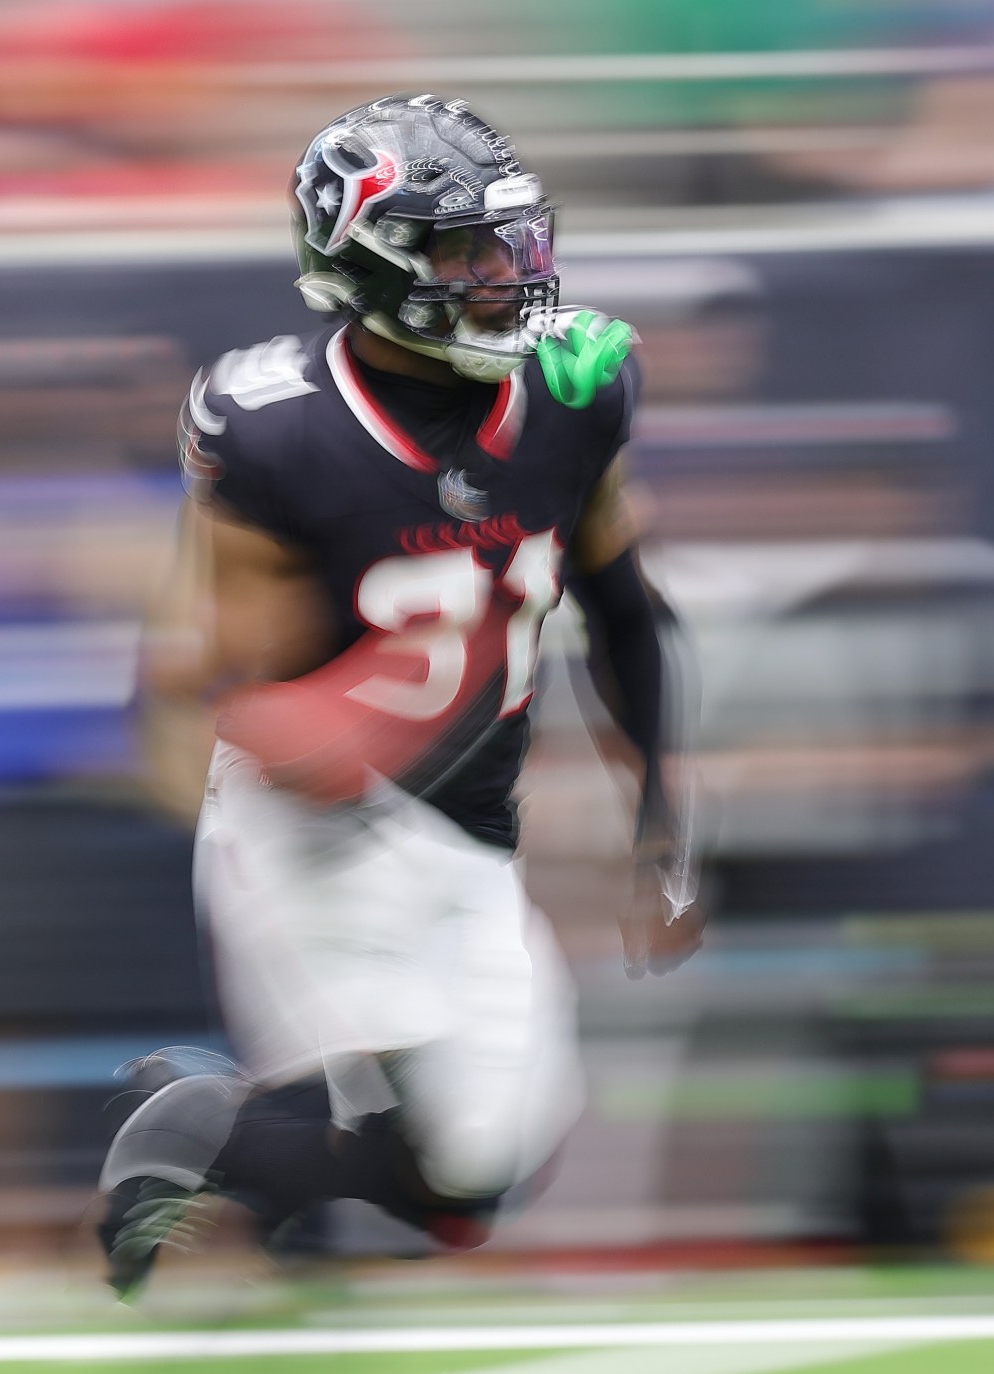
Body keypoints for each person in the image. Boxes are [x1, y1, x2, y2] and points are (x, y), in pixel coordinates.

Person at [98, 94, 702, 1300]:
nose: (502, 274)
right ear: (366, 255)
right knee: (369, 1089)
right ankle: (232, 1315)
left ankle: (197, 1118)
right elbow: (218, 669)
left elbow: (624, 607)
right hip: (314, 817)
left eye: (509, 242)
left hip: (468, 833)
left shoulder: (579, 389)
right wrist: (287, 721)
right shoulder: (277, 427)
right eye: (463, 248)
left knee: (478, 1173)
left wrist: (662, 822)